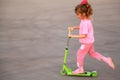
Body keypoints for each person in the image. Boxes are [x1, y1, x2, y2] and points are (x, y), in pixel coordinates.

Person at [68, 0, 115, 74]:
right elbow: (81, 27)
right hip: (90, 41)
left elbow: (84, 35)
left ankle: (80, 69)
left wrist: (72, 36)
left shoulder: (85, 22)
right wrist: (74, 28)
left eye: (78, 14)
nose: (77, 16)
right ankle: (106, 59)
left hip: (86, 42)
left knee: (79, 54)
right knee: (92, 53)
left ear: (83, 14)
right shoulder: (85, 20)